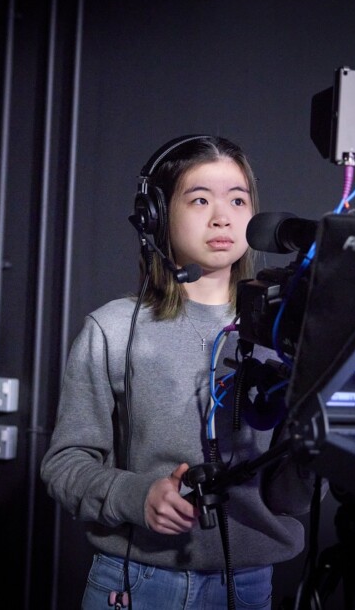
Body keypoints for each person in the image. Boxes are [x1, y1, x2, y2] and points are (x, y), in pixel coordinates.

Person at [40, 135, 319, 610]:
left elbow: (290, 500)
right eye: (199, 200)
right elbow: (64, 465)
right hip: (135, 582)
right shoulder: (112, 329)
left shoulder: (291, 337)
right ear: (156, 217)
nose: (222, 217)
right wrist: (136, 496)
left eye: (237, 200)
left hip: (247, 588)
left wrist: (316, 454)